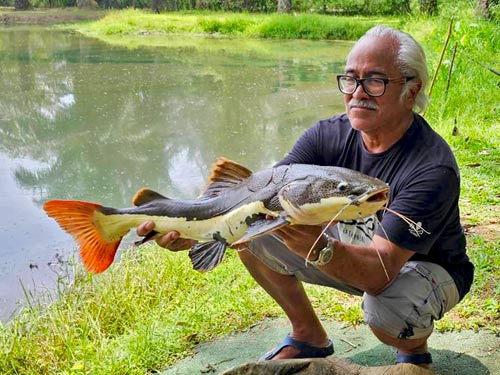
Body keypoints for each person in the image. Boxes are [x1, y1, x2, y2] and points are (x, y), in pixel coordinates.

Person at [137, 25, 474, 368]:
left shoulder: (431, 167)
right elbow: (256, 193)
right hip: (351, 251)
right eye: (350, 79)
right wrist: (198, 232)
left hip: (424, 269)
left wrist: (318, 247)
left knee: (387, 307)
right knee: (253, 228)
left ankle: (413, 352)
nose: (358, 93)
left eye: (375, 81)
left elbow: (380, 273)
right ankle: (307, 335)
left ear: (411, 89)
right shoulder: (326, 136)